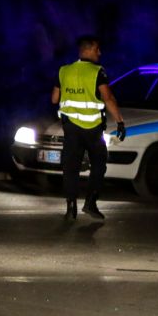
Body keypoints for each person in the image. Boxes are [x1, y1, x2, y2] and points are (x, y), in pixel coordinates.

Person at [51, 35, 125, 220]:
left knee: (71, 167)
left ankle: (71, 208)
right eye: (97, 49)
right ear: (89, 49)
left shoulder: (63, 71)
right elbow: (108, 98)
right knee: (99, 163)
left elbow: (54, 99)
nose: (100, 53)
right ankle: (90, 203)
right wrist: (120, 122)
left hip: (71, 128)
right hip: (93, 128)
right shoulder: (98, 71)